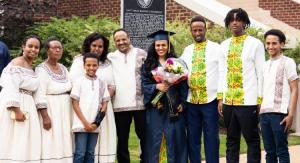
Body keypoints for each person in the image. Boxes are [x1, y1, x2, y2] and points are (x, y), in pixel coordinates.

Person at [218, 8, 265, 163]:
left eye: (238, 19)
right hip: (228, 102)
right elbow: (221, 72)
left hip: (248, 101)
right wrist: (220, 98)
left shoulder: (255, 44)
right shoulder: (224, 45)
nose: (235, 22)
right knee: (231, 140)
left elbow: (261, 73)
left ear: (245, 22)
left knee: (251, 139)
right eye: (231, 20)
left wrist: (259, 100)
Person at [180, 16, 222, 163]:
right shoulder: (187, 50)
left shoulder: (217, 48)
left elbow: (223, 73)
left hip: (210, 100)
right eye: (194, 30)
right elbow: (180, 71)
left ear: (205, 29)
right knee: (192, 137)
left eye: (200, 30)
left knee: (211, 137)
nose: (197, 33)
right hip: (191, 100)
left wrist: (221, 97)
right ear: (191, 31)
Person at [142, 30, 188, 163]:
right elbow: (144, 85)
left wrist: (183, 103)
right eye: (158, 45)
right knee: (155, 138)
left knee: (175, 138)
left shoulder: (175, 63)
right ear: (154, 46)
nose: (160, 48)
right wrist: (156, 86)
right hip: (156, 107)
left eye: (163, 45)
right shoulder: (148, 64)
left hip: (173, 107)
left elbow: (183, 85)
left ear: (168, 46)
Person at [69, 32, 116, 162]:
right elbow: (74, 89)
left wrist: (102, 102)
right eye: (94, 45)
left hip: (99, 113)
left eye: (100, 46)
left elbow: (111, 86)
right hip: (82, 112)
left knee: (91, 151)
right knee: (80, 151)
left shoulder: (106, 65)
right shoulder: (79, 61)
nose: (97, 48)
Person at [0, 35, 42, 162]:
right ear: (23, 46)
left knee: (25, 141)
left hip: (28, 105)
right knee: (14, 140)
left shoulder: (30, 67)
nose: (33, 49)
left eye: (36, 47)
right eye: (30, 46)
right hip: (15, 106)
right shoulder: (17, 63)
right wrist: (17, 110)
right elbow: (10, 87)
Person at [108, 28, 147, 163]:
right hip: (120, 105)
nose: (121, 42)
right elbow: (95, 60)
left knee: (144, 136)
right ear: (114, 42)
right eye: (117, 40)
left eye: (123, 39)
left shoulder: (141, 53)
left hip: (140, 104)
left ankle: (145, 160)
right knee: (122, 139)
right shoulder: (111, 57)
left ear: (129, 38)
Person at [260, 29, 298, 163]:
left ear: (281, 44)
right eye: (268, 43)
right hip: (264, 113)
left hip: (280, 114)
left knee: (281, 150)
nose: (270, 46)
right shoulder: (264, 65)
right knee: (269, 151)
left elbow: (294, 89)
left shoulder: (288, 62)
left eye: (274, 43)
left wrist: (291, 114)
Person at [35, 37, 73, 162]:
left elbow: (70, 87)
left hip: (66, 109)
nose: (58, 50)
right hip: (51, 109)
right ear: (47, 50)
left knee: (65, 137)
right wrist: (45, 117)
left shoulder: (63, 68)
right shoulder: (41, 69)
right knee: (51, 138)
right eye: (54, 48)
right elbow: (39, 94)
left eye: (60, 48)